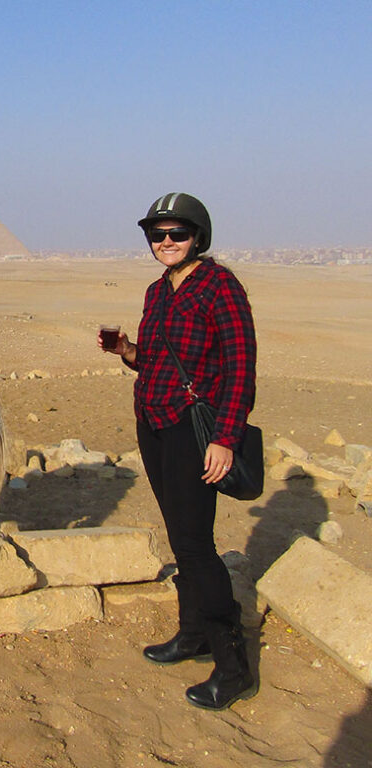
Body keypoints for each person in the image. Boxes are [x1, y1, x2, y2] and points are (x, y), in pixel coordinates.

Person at [99, 192, 258, 710]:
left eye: (177, 234)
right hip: (155, 425)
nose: (166, 242)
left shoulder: (220, 287)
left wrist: (225, 438)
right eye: (157, 234)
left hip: (197, 434)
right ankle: (191, 636)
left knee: (195, 545)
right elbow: (159, 363)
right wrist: (127, 352)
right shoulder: (157, 291)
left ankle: (233, 668)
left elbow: (239, 369)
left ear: (198, 237)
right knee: (180, 536)